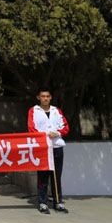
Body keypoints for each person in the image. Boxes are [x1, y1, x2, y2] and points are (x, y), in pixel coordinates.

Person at [28, 86, 70, 214]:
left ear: (50, 97)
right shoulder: (33, 111)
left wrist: (57, 133)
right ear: (38, 98)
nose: (45, 99)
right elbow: (31, 128)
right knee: (43, 176)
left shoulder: (56, 111)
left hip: (56, 147)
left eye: (47, 96)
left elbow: (66, 127)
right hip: (43, 148)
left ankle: (58, 202)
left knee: (56, 176)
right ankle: (42, 202)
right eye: (43, 96)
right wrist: (45, 135)